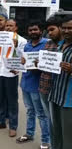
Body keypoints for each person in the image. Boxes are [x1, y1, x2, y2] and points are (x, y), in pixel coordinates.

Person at [0, 19, 27, 138]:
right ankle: (1, 122)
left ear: (16, 28)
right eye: (7, 26)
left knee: (12, 100)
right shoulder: (0, 38)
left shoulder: (21, 40)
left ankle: (13, 126)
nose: (8, 28)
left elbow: (24, 57)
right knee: (1, 98)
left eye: (11, 26)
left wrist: (16, 47)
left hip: (11, 73)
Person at [17, 22, 50, 149]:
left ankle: (45, 141)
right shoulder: (27, 46)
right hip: (26, 83)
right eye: (30, 30)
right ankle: (29, 134)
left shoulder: (47, 44)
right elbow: (25, 63)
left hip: (38, 85)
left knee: (41, 114)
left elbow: (49, 63)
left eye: (35, 30)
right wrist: (23, 62)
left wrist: (40, 64)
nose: (33, 32)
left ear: (40, 31)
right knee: (30, 111)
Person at [48, 15, 72, 149]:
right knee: (56, 132)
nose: (66, 31)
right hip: (56, 95)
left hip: (69, 101)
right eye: (64, 28)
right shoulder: (60, 45)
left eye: (70, 28)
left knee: (68, 137)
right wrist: (42, 63)